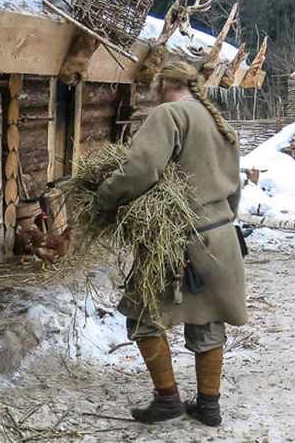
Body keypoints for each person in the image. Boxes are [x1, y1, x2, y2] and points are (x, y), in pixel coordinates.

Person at [96, 59, 248, 427]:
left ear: (164, 83)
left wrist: (103, 198)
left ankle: (167, 400)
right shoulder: (220, 122)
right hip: (221, 235)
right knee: (209, 318)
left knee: (142, 315)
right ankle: (209, 406)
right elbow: (234, 189)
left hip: (176, 239)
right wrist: (220, 223)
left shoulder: (170, 114)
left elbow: (140, 169)